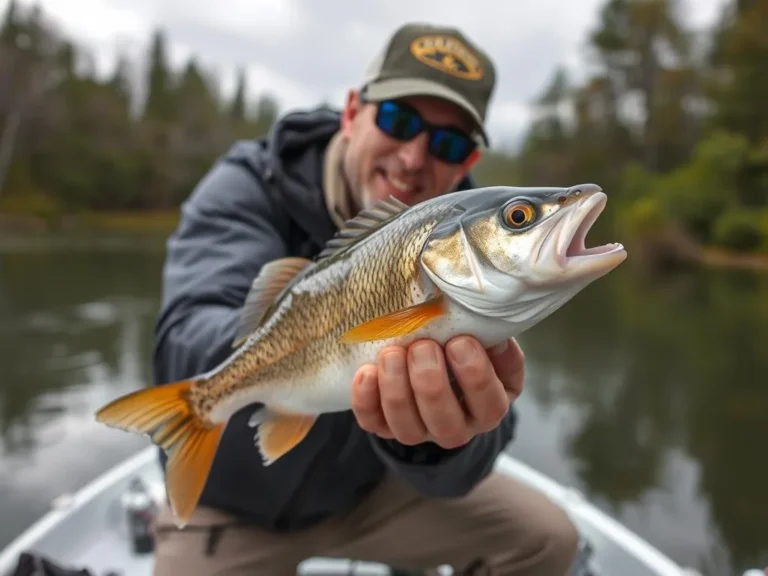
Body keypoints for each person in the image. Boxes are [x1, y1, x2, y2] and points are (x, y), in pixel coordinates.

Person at [150, 22, 580, 576]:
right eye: (399, 120)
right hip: (235, 504)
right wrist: (279, 355)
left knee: (547, 540)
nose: (414, 157)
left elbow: (473, 457)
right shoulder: (249, 184)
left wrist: (432, 442)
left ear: (467, 162)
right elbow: (184, 339)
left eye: (449, 143)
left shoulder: (477, 244)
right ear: (352, 112)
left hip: (375, 492)